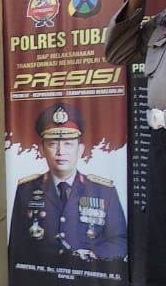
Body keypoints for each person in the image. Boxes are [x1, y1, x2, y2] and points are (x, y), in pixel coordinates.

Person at [103, 0, 166, 286]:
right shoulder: (160, 25)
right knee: (161, 246)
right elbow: (118, 53)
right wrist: (137, 1)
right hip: (163, 140)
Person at [7, 102, 127, 269]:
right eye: (52, 144)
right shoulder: (26, 190)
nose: (60, 152)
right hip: (42, 277)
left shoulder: (104, 192)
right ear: (42, 149)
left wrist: (93, 254)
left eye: (68, 144)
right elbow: (16, 245)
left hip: (89, 277)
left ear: (80, 149)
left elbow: (120, 241)